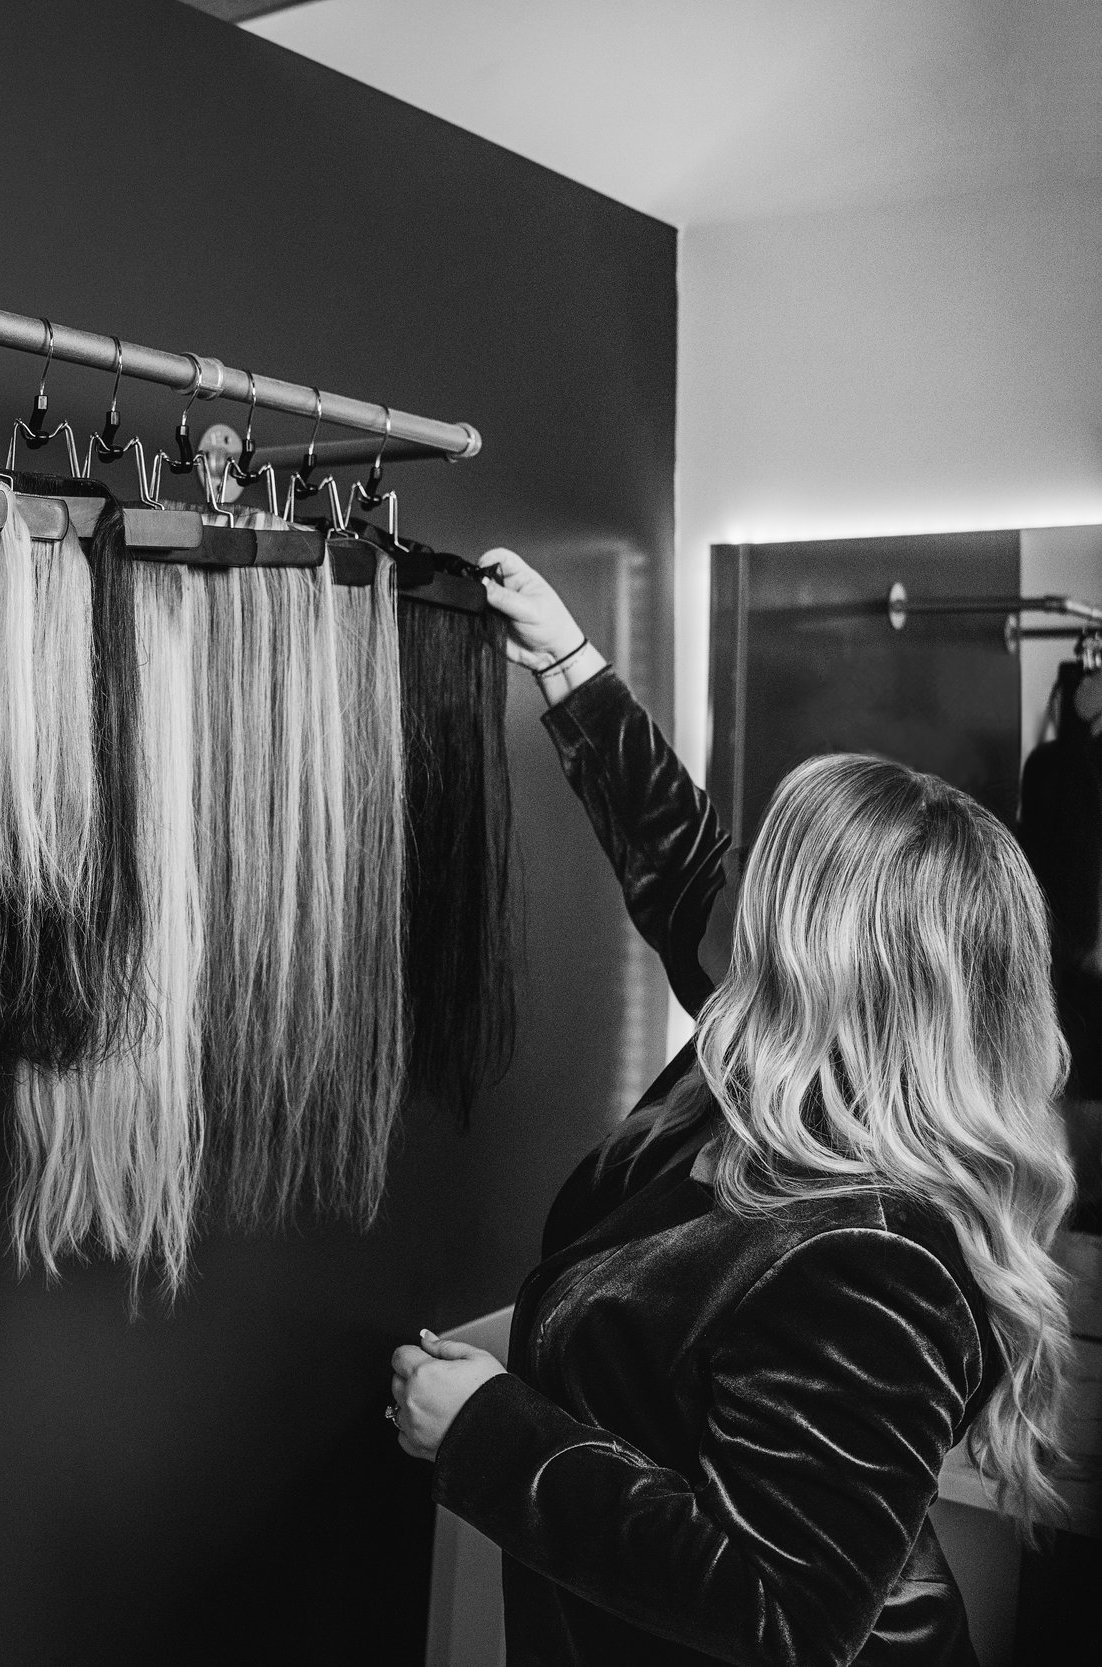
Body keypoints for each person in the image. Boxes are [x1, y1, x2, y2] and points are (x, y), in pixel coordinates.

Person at [385, 551, 1079, 1666]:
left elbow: (783, 1616)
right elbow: (683, 870)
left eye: (766, 876)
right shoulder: (772, 1066)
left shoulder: (878, 1260)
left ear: (824, 965)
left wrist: (489, 1433)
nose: (736, 881)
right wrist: (569, 664)